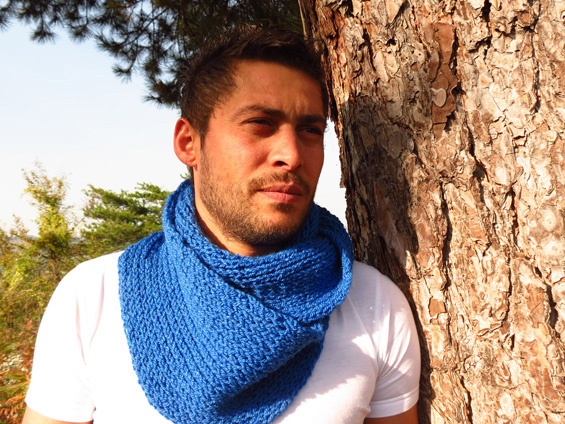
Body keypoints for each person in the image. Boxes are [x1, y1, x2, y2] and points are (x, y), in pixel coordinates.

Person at [22, 26, 420, 424]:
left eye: (310, 130)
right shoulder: (93, 296)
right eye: (260, 123)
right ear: (188, 143)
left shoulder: (373, 305)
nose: (292, 154)